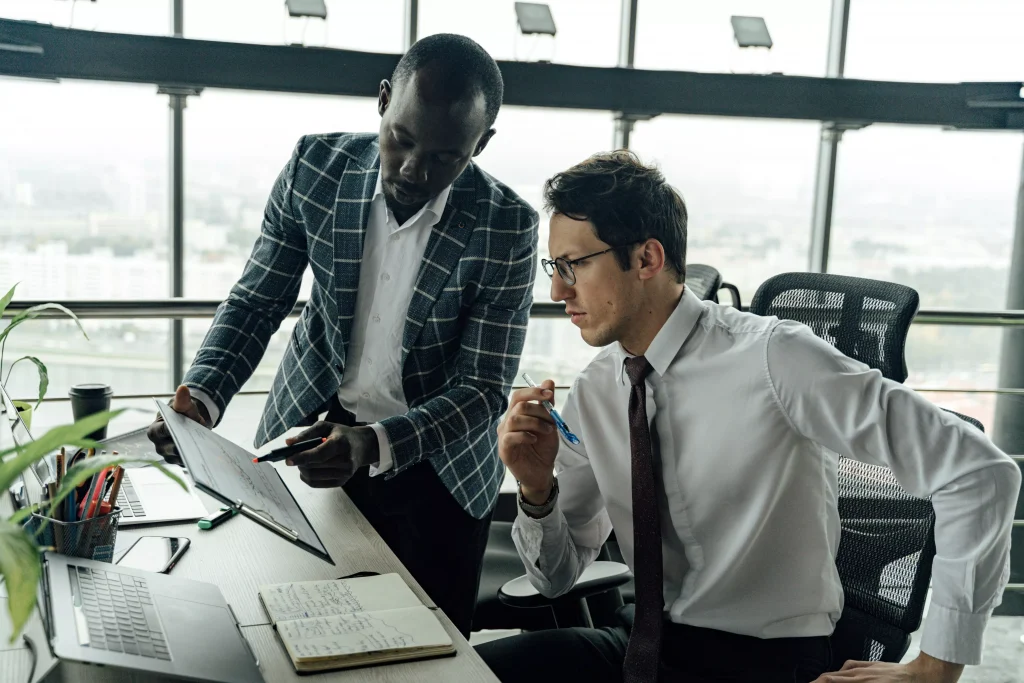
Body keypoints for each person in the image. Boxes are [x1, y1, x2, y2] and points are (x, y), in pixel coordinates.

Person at [476, 151, 1021, 682]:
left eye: (573, 265)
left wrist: (935, 667)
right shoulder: (600, 386)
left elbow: (980, 471)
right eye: (555, 266)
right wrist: (535, 489)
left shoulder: (773, 357)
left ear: (646, 259)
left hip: (764, 661)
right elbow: (555, 581)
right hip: (646, 646)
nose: (556, 290)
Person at [147, 34, 538, 637]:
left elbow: (484, 389)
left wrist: (374, 444)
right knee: (283, 626)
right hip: (308, 434)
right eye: (402, 140)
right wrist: (201, 397)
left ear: (480, 145)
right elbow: (257, 301)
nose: (413, 169)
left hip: (440, 469)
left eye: (444, 157)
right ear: (383, 101)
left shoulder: (506, 226)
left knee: (427, 656)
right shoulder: (316, 169)